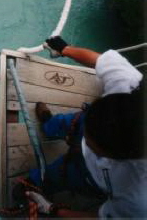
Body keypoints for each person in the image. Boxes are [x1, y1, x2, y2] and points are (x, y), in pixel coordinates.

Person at [23, 36, 146, 219]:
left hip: (89, 174)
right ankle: (49, 124)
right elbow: (100, 60)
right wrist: (64, 49)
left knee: (51, 178)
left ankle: (37, 182)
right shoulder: (129, 85)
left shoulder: (139, 198)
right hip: (85, 122)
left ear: (118, 156)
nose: (85, 140)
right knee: (68, 122)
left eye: (92, 143)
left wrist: (53, 210)